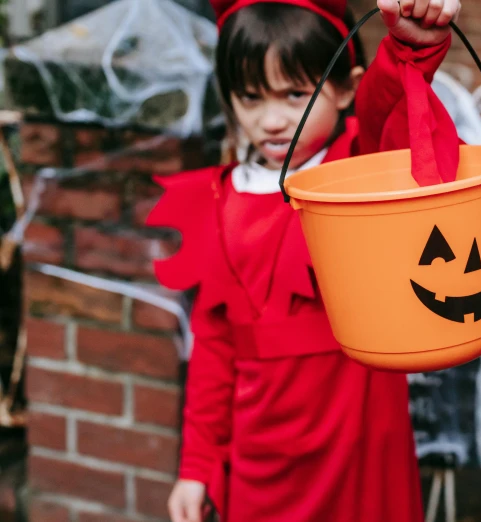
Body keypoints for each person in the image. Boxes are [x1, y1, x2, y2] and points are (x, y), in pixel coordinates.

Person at [146, 0, 462, 519]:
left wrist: (410, 45)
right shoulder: (219, 199)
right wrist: (197, 465)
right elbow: (214, 349)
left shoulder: (357, 170)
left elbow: (386, 107)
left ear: (343, 88)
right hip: (260, 456)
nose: (271, 120)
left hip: (356, 437)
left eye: (295, 94)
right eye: (249, 97)